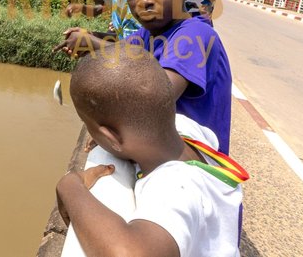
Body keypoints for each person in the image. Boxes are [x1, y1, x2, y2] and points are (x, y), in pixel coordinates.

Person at [56, 47, 247, 257]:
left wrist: (69, 186)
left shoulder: (175, 186)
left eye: (88, 126)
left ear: (111, 138)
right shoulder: (191, 131)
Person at [55, 0, 233, 153]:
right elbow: (121, 53)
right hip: (165, 154)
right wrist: (88, 42)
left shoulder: (195, 35)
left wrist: (103, 126)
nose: (144, 1)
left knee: (70, 186)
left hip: (197, 168)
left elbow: (152, 103)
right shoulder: (147, 35)